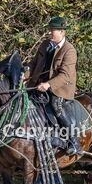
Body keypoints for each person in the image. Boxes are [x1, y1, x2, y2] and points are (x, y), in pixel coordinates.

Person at [28, 16, 81, 155]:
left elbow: (65, 75)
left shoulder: (69, 50)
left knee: (56, 106)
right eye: (50, 29)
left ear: (62, 32)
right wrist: (25, 73)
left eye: (53, 30)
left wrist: (48, 85)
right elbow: (33, 64)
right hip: (37, 85)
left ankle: (74, 141)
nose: (50, 32)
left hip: (60, 88)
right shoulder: (45, 44)